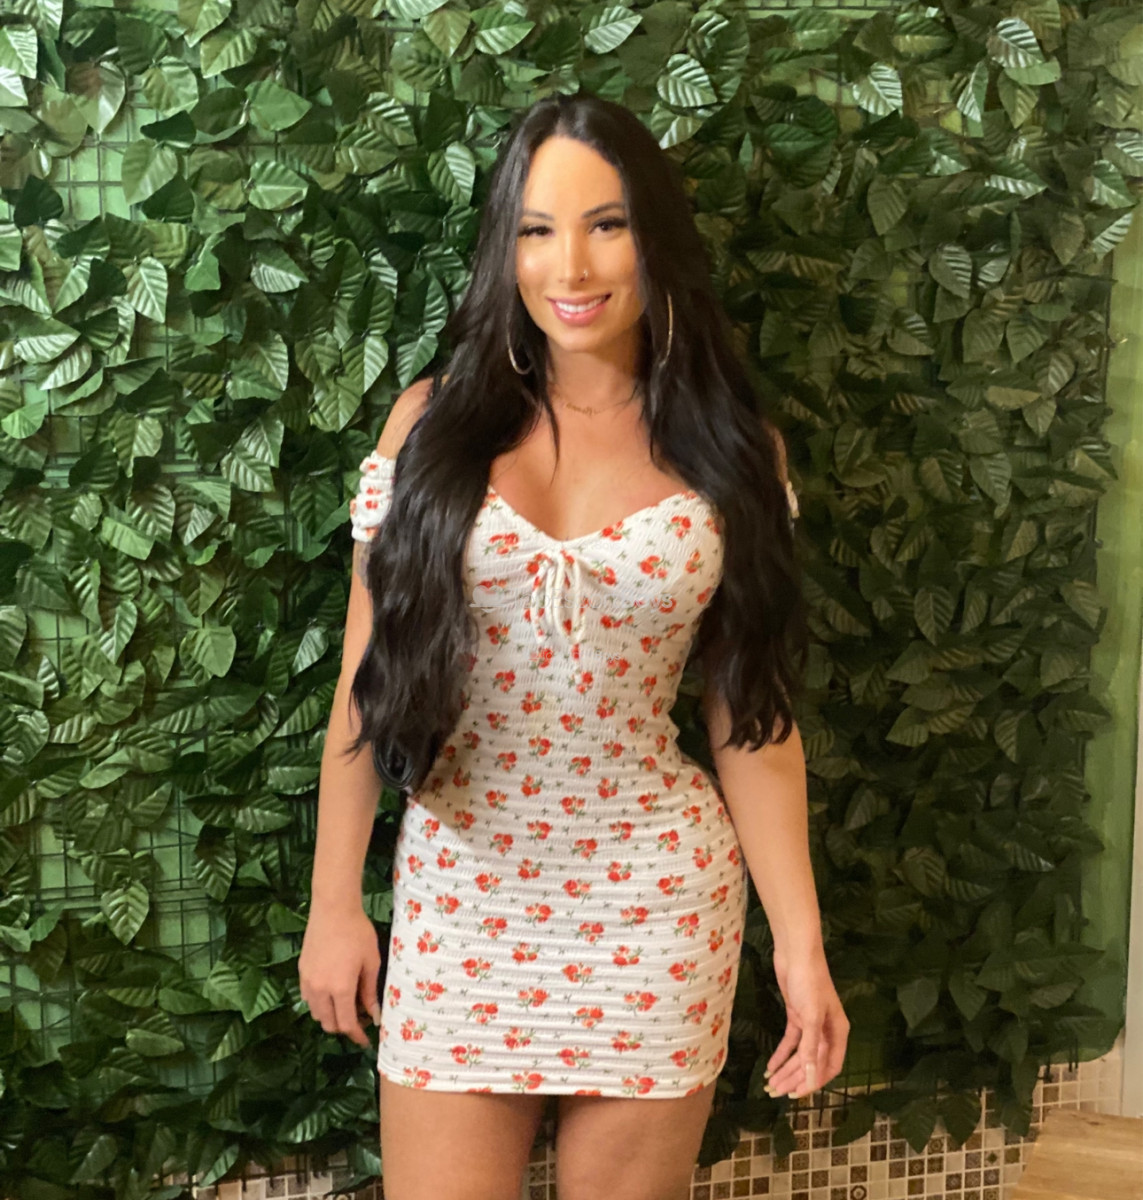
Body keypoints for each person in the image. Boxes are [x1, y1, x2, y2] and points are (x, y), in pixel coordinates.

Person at [298, 93, 849, 1200]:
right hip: (464, 897)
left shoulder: (733, 452)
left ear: (655, 238)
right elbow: (366, 685)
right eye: (538, 230)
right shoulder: (429, 428)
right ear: (505, 250)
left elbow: (749, 716)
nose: (572, 265)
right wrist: (334, 904)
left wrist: (800, 945)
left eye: (607, 224)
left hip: (656, 904)